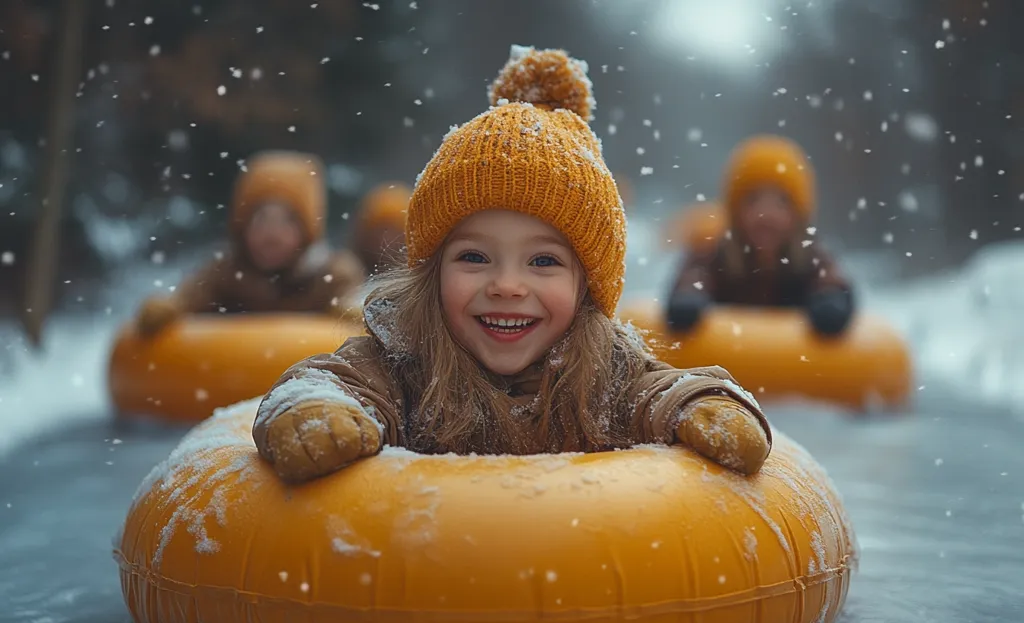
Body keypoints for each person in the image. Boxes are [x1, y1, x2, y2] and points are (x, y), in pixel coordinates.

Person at [251, 46, 772, 485]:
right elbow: (334, 380)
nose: (505, 285)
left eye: (543, 260)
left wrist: (708, 405)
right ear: (431, 275)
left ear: (587, 287)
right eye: (474, 257)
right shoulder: (402, 360)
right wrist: (317, 412)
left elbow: (665, 390)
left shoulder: (606, 372)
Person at [135, 151, 365, 336]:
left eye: (287, 222)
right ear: (242, 228)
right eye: (260, 220)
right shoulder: (225, 273)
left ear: (307, 233)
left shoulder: (332, 276)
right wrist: (168, 309)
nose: (271, 235)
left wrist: (349, 314)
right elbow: (187, 298)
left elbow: (353, 300)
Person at [666, 136, 854, 336]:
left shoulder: (811, 257)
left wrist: (831, 299)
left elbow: (830, 280)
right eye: (753, 200)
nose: (766, 215)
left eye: (781, 202)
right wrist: (688, 298)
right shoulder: (714, 254)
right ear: (735, 212)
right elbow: (695, 277)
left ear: (799, 215)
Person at [351, 182, 412, 275]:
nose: (386, 239)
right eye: (381, 229)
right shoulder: (351, 272)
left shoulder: (414, 274)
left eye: (395, 231)